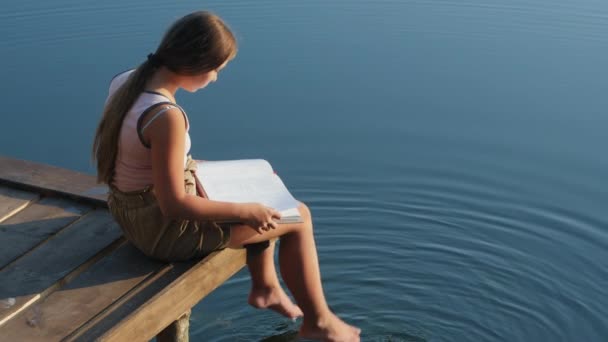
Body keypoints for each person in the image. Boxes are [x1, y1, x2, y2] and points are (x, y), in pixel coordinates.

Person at [92, 10, 361, 342]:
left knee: (263, 191)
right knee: (299, 216)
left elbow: (143, 159)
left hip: (129, 210)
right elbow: (174, 205)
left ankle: (266, 287)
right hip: (162, 232)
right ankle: (318, 323)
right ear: (196, 64)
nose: (216, 78)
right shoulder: (166, 117)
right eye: (216, 70)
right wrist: (245, 211)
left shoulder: (127, 81)